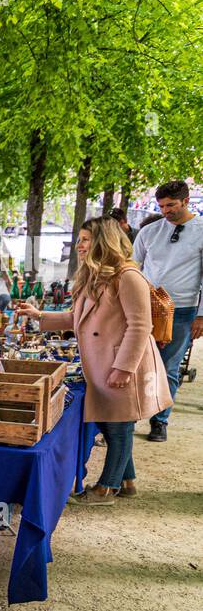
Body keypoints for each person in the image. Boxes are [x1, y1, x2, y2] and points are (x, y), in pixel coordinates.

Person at [16, 216, 170, 503]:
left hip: (121, 363)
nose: (79, 245)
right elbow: (77, 319)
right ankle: (127, 479)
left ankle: (106, 488)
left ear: (104, 241)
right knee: (112, 422)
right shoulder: (95, 275)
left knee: (119, 426)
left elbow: (140, 326)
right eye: (80, 239)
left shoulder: (128, 276)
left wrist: (124, 368)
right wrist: (40, 317)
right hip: (102, 364)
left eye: (86, 239)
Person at [132, 180, 203, 442]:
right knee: (135, 363)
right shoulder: (149, 232)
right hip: (144, 309)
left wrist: (201, 315)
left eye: (171, 205)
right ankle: (128, 416)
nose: (165, 211)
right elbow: (131, 267)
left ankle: (160, 420)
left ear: (186, 201)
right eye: (161, 206)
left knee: (169, 367)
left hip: (183, 310)